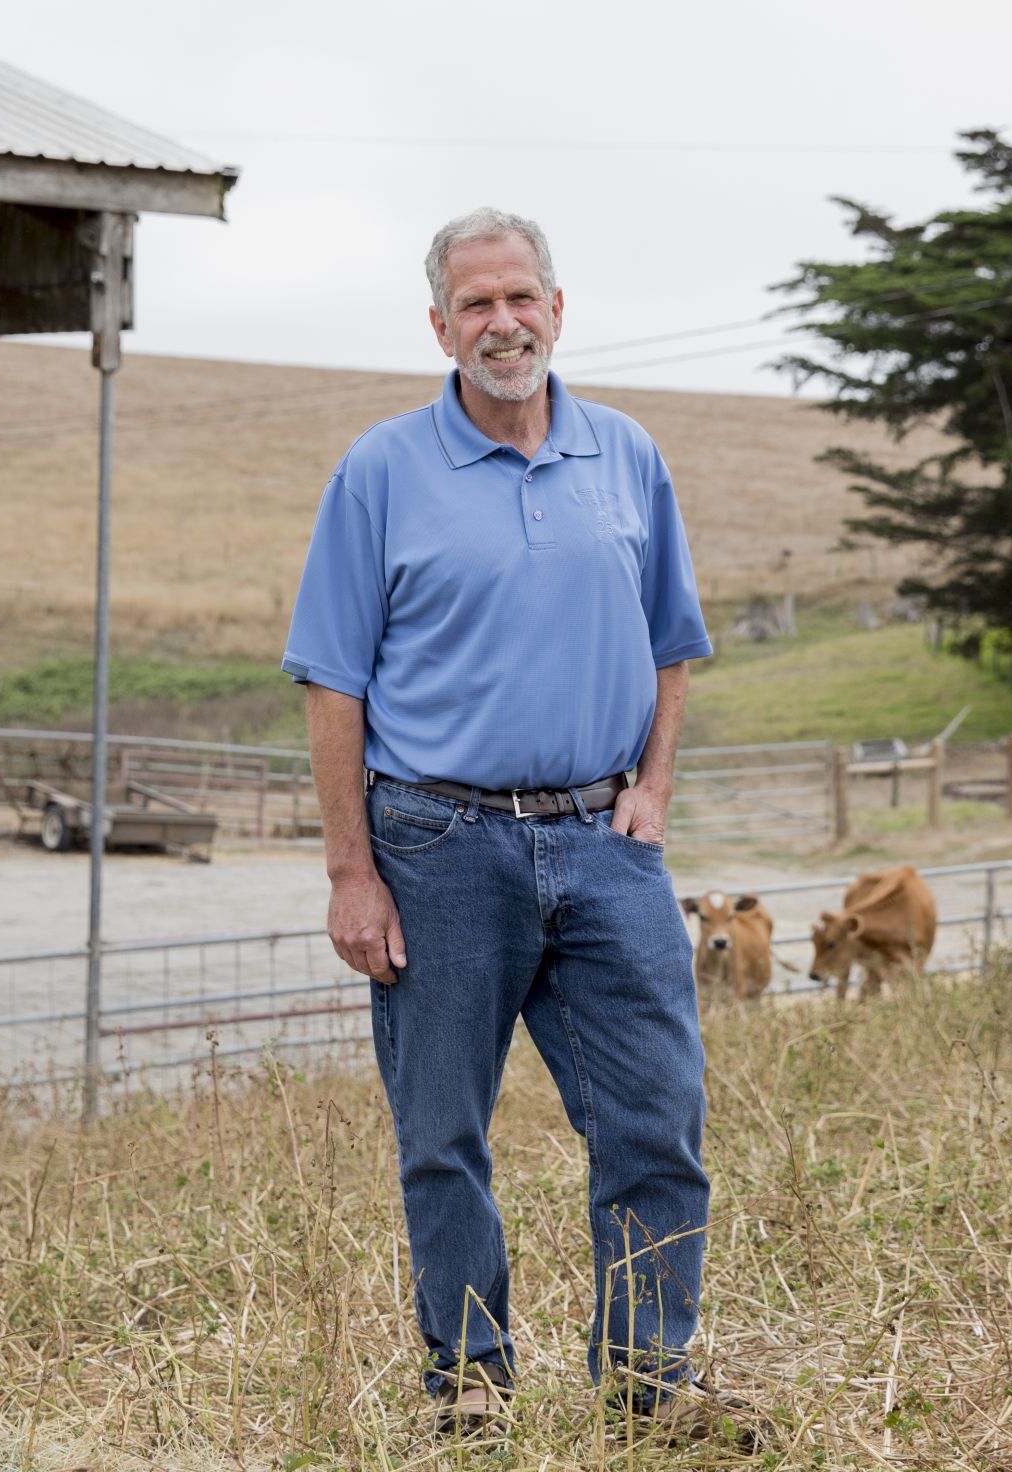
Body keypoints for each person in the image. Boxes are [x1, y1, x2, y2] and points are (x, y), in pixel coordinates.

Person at [281, 207, 722, 1437]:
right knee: (443, 1135)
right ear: (439, 326)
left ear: (557, 307)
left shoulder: (626, 454)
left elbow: (671, 643)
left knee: (653, 1118)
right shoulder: (380, 471)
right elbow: (331, 680)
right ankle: (467, 1389)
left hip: (604, 845)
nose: (501, 321)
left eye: (518, 296)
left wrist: (653, 789)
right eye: (474, 304)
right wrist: (348, 871)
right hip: (434, 844)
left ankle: (648, 1384)